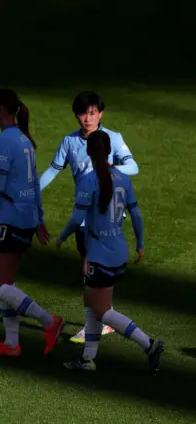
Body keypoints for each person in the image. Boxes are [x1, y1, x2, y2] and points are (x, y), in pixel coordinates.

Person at [0, 88, 65, 357]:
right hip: (26, 219)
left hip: (10, 219)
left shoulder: (5, 141)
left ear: (2, 110)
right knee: (7, 284)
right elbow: (34, 184)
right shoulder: (24, 139)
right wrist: (40, 219)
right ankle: (11, 343)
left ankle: (50, 322)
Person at [56, 130, 164, 374]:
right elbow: (135, 214)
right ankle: (87, 359)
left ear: (89, 152)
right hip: (118, 250)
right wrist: (141, 244)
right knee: (92, 304)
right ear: (108, 151)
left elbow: (76, 219)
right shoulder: (123, 179)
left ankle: (149, 345)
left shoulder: (88, 180)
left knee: (102, 310)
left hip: (100, 254)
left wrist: (62, 236)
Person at [39, 91, 139, 344]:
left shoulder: (112, 139)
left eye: (93, 112)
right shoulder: (69, 142)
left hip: (105, 217)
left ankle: (98, 321)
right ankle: (102, 319)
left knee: (91, 269)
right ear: (76, 115)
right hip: (85, 216)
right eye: (83, 112)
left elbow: (133, 167)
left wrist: (111, 168)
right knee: (90, 268)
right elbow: (53, 169)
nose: (88, 118)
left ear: (101, 114)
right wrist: (32, 191)